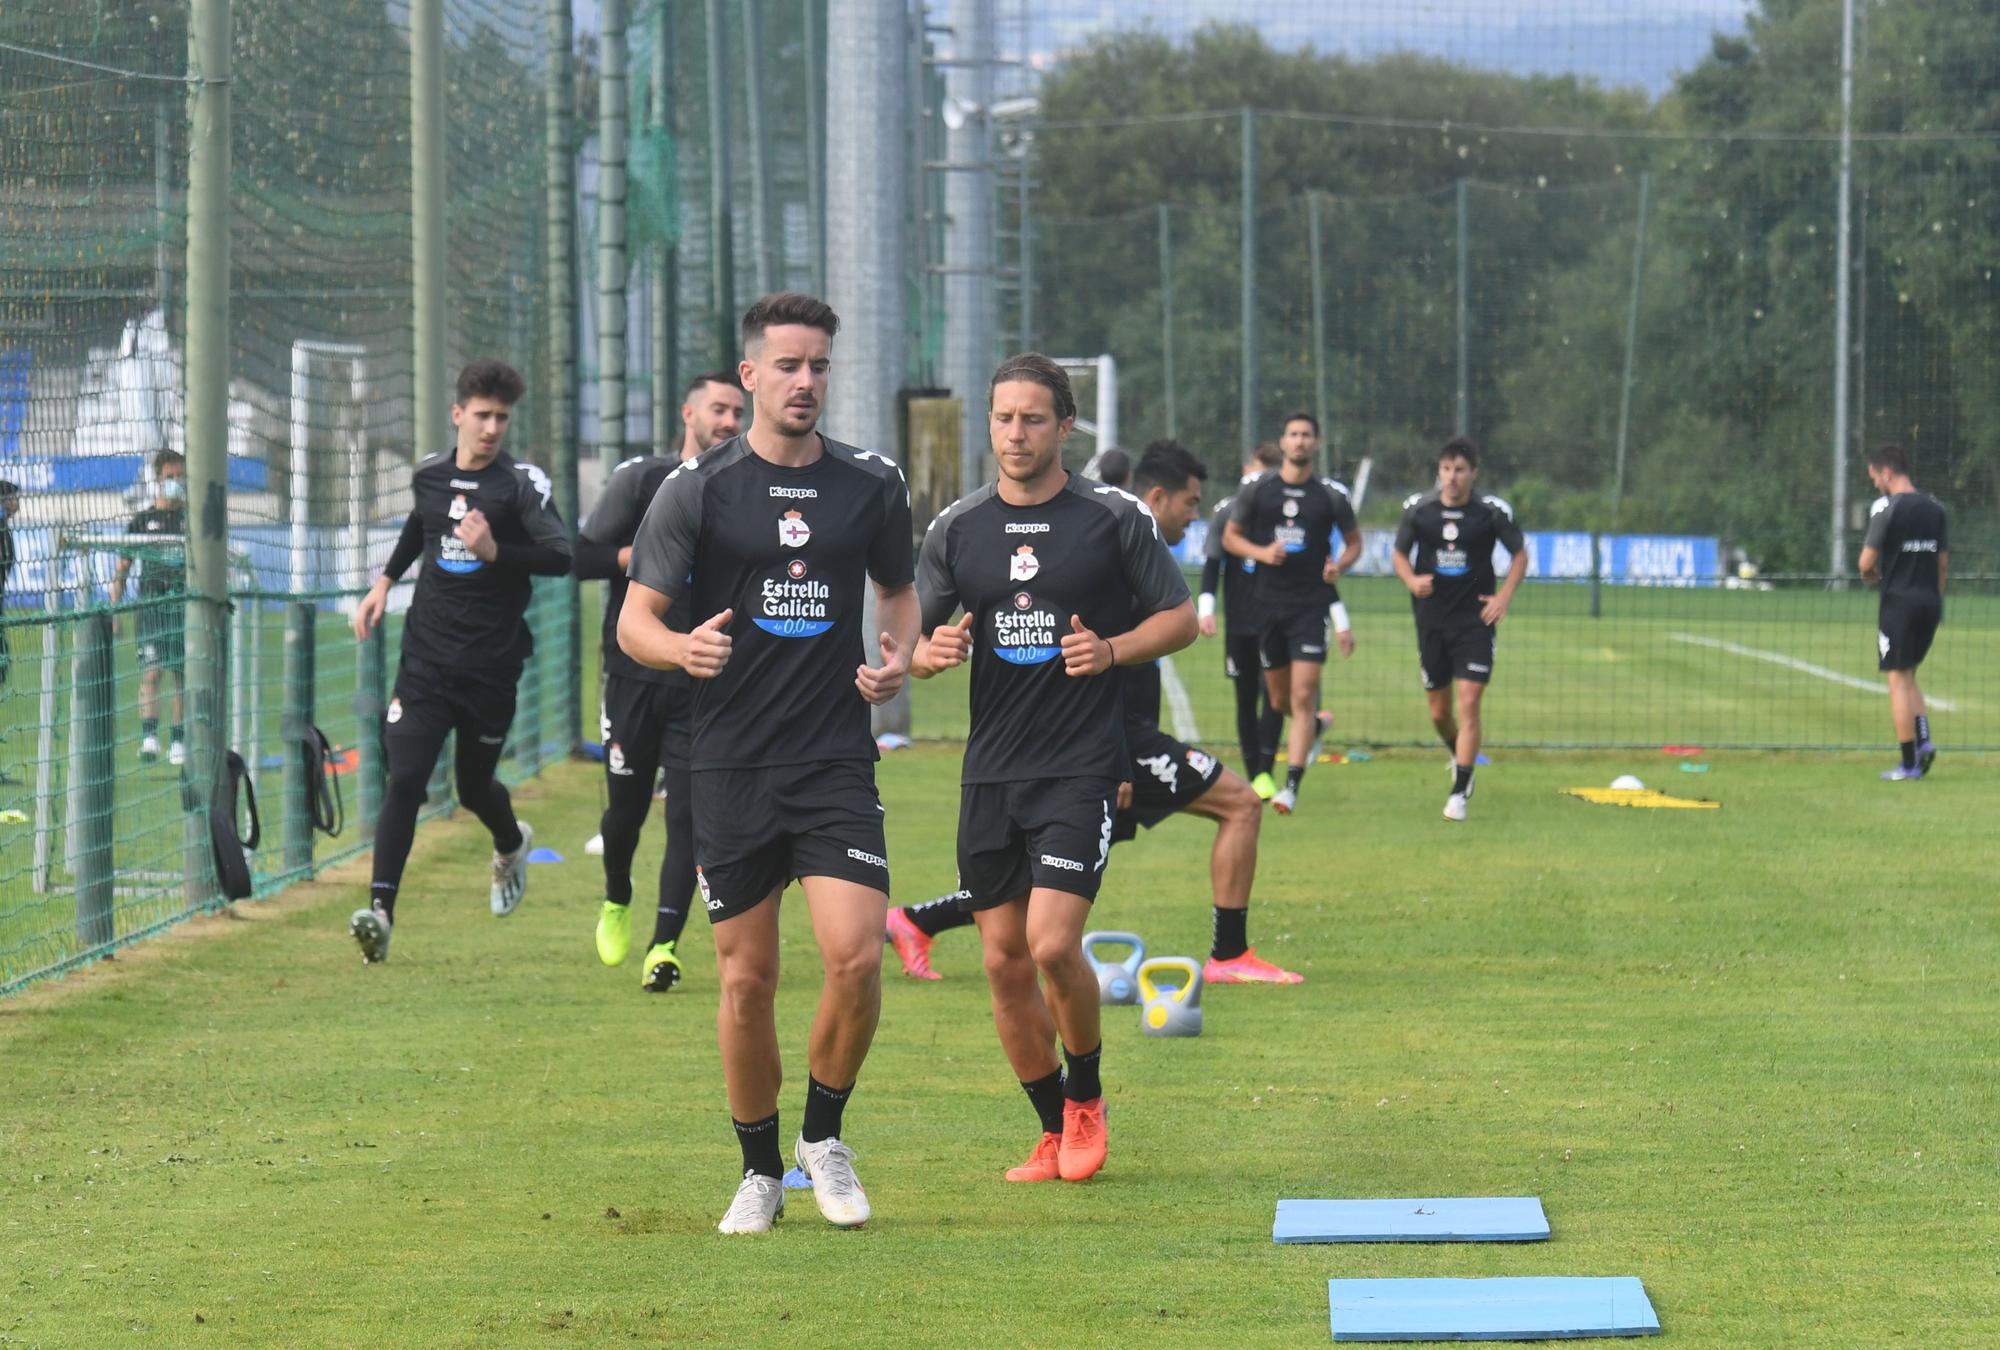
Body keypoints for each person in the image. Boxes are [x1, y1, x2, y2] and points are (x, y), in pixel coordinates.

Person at [619, 292, 918, 1235]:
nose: (805, 381)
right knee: (746, 981)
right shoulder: (697, 490)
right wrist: (680, 652)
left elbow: (900, 593)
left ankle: (822, 1141)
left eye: (819, 365)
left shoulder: (871, 485)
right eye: (787, 365)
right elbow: (637, 621)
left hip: (833, 759)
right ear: (749, 375)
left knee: (856, 958)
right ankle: (758, 1170)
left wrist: (898, 656)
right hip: (731, 767)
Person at [911, 354, 1195, 1185]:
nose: (1016, 433)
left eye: (1034, 419)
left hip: (1078, 766)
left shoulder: (1111, 518)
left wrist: (1111, 649)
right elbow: (909, 640)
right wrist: (930, 654)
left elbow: (1178, 619)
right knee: (1001, 958)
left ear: (1066, 426)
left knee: (1049, 941)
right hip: (991, 772)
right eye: (1003, 418)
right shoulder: (958, 527)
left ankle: (1086, 1099)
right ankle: (1047, 1128)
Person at [886, 441, 1300, 990]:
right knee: (1242, 805)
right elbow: (1085, 661)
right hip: (1107, 744)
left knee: (1044, 874)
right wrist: (1119, 761)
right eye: (1191, 503)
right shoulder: (1103, 541)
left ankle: (917, 919)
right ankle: (1228, 953)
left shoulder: (1114, 533)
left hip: (1100, 747)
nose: (1195, 515)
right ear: (1157, 497)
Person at [348, 359, 572, 963]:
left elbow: (560, 557)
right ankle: (381, 912)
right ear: (458, 415)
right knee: (406, 779)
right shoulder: (428, 476)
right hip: (425, 662)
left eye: (502, 417)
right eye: (482, 415)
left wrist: (495, 550)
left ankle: (509, 843)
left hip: (491, 667)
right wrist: (383, 583)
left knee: (474, 787)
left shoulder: (520, 485)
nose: (493, 427)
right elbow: (418, 526)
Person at [575, 370, 745, 990]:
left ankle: (663, 945)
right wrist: (650, 556)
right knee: (624, 814)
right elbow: (582, 556)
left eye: (737, 411)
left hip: (703, 683)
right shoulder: (642, 480)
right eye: (719, 409)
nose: (729, 421)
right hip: (633, 675)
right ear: (689, 413)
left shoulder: (742, 488)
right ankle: (617, 894)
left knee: (689, 818)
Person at [1221, 412, 1360, 815]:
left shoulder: (1330, 497)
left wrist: (1341, 566)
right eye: (1293, 435)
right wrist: (1262, 552)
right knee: (1279, 699)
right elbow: (1232, 538)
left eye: (1307, 436)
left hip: (1309, 610)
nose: (1300, 442)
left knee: (1301, 696)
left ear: (1316, 444)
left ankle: (1291, 788)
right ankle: (1315, 726)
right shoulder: (1259, 490)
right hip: (1267, 609)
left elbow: (1354, 543)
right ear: (1283, 442)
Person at [1391, 435, 1525, 822]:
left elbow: (1519, 554)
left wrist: (1503, 598)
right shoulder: (1420, 511)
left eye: (1460, 470)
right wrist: (1411, 581)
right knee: (1438, 712)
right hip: (1432, 621)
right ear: (1439, 471)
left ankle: (1459, 790)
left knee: (1469, 702)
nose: (1452, 478)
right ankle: (1457, 752)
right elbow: (1399, 553)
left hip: (1475, 622)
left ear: (1473, 474)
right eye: (1447, 469)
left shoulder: (1490, 512)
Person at [1197, 443, 1284, 795]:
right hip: (1239, 621)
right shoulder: (1227, 512)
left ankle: (1264, 771)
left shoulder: (1282, 514)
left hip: (1275, 621)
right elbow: (1212, 565)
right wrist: (1206, 609)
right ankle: (1256, 773)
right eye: (1256, 473)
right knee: (1245, 697)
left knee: (1274, 696)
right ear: (1248, 470)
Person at [1858, 443, 1947, 781]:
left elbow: (1865, 562)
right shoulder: (1936, 508)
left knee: (1897, 679)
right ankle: (1923, 741)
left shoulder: (1886, 508)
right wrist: (1935, 598)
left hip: (1899, 602)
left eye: (1875, 478)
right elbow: (1942, 562)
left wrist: (1870, 576)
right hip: (1929, 601)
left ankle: (1908, 764)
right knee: (1909, 674)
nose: (1875, 485)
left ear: (1887, 473)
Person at [109, 450, 187, 765]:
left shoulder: (190, 521)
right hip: (150, 610)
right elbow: (122, 569)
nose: (176, 482)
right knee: (152, 673)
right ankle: (150, 737)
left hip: (183, 609)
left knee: (180, 674)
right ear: (157, 479)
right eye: (170, 477)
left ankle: (179, 741)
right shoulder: (142, 521)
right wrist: (114, 610)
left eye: (180, 477)